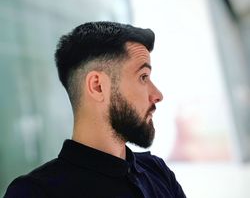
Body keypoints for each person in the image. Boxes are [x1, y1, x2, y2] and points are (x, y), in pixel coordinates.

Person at [4, 22, 186, 198]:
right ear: (98, 86)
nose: (157, 95)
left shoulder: (158, 172)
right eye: (143, 77)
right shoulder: (34, 193)